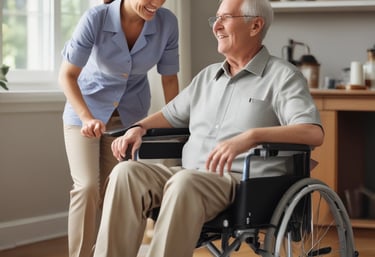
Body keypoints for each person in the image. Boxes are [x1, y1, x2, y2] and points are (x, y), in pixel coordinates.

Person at [93, 0, 324, 256]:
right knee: (126, 173)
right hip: (189, 174)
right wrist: (138, 127)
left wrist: (251, 137)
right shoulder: (207, 77)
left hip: (240, 183)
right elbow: (170, 115)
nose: (216, 26)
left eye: (225, 18)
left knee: (184, 181)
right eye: (215, 19)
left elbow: (312, 132)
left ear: (255, 25)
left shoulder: (282, 76)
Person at [58, 0, 179, 256]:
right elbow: (67, 76)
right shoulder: (96, 19)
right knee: (88, 187)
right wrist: (87, 117)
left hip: (129, 120)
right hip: (85, 115)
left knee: (121, 192)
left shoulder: (167, 22)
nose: (157, 2)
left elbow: (169, 79)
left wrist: (178, 124)